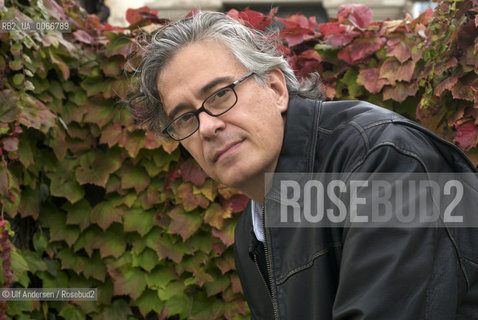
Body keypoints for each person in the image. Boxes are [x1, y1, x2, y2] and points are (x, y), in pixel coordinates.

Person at [129, 11, 478, 319]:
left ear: (276, 88)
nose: (207, 126)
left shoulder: (381, 159)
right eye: (186, 117)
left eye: (220, 94)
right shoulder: (253, 227)